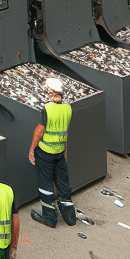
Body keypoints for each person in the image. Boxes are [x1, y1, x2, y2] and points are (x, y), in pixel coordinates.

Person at [28, 77, 76, 228]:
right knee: (63, 183)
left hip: (46, 152)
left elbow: (40, 130)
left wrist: (31, 149)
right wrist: (65, 154)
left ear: (51, 92)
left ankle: (49, 217)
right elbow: (65, 132)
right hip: (60, 153)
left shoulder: (48, 108)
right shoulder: (68, 109)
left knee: (45, 184)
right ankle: (70, 217)